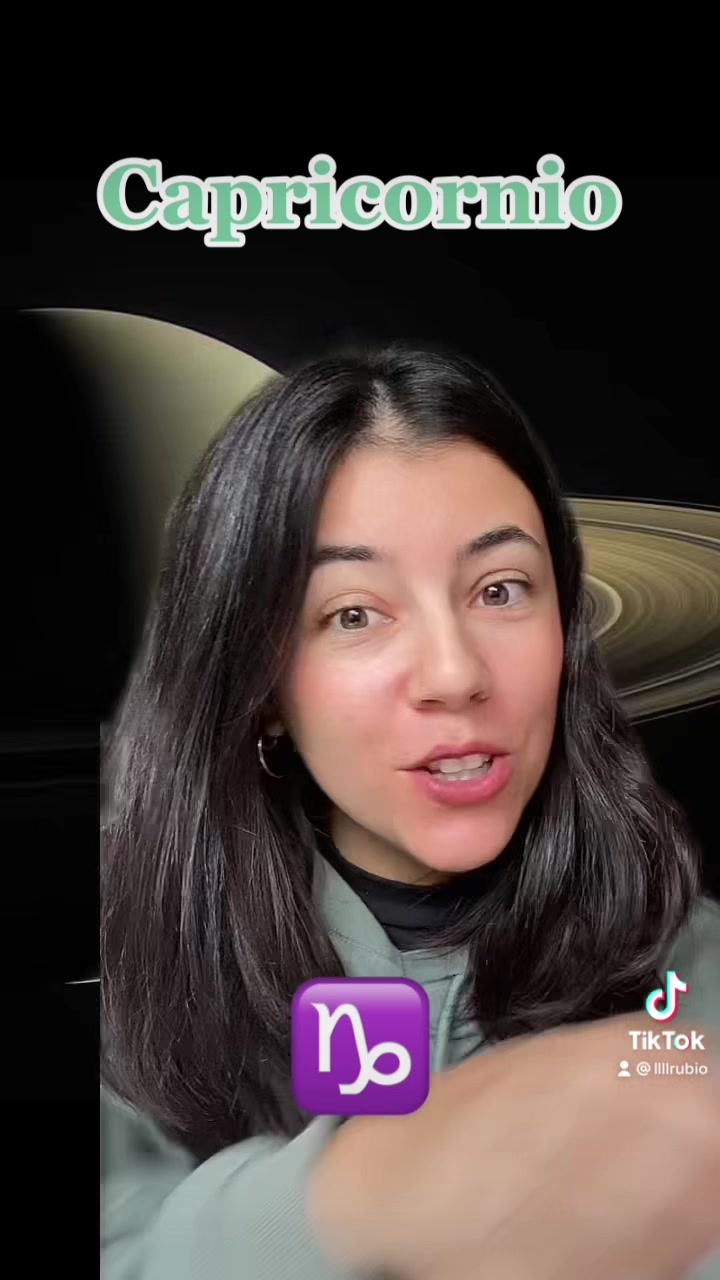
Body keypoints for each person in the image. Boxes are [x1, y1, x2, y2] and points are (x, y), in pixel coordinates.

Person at [100, 344, 720, 1280]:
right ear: (262, 687)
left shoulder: (690, 965)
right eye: (354, 613)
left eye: (501, 590)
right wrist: (357, 1197)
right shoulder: (127, 978)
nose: (456, 673)